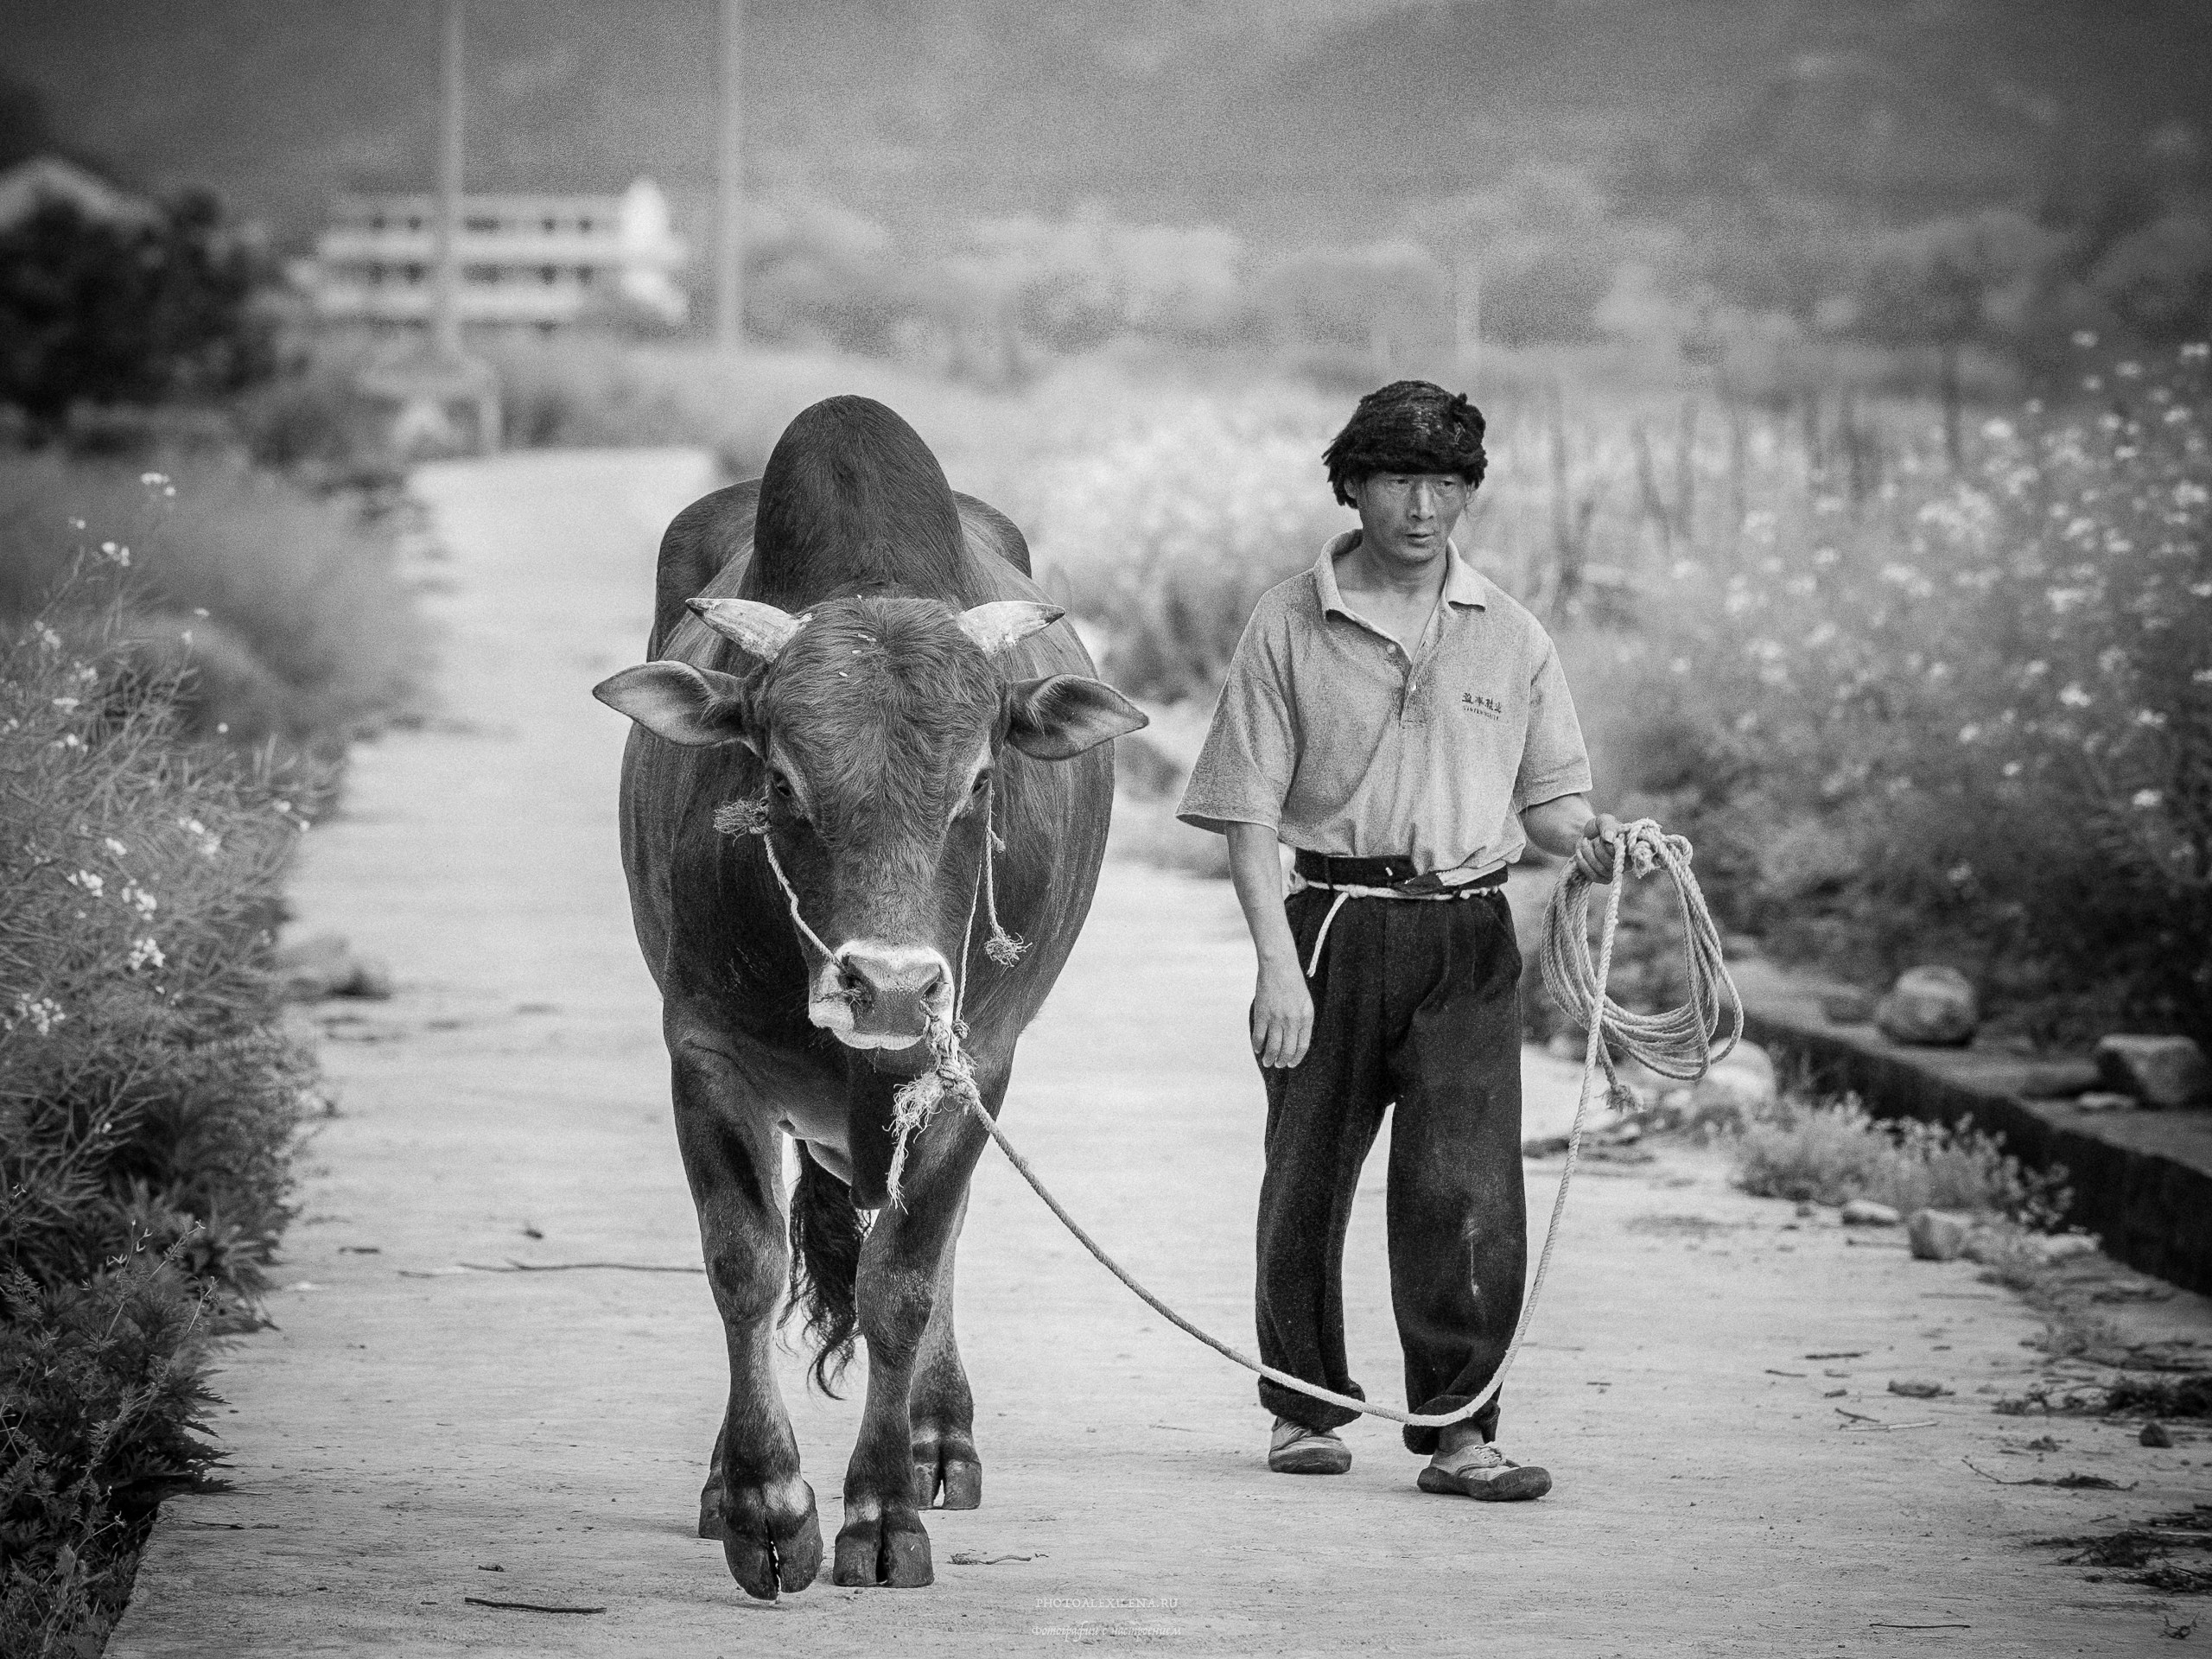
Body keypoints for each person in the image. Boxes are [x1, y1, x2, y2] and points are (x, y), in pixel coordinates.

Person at [1175, 379, 1618, 1502]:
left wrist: (1602, 842)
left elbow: (1551, 807)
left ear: (1468, 493)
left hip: (1468, 931)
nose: (1423, 507)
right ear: (1354, 486)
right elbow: (1247, 814)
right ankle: (1303, 1408)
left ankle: (1461, 1433)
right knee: (1306, 1174)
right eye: (1398, 480)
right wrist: (1276, 965)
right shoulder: (1289, 620)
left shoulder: (1510, 634)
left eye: (1446, 483)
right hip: (1330, 926)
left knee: (1465, 1188)